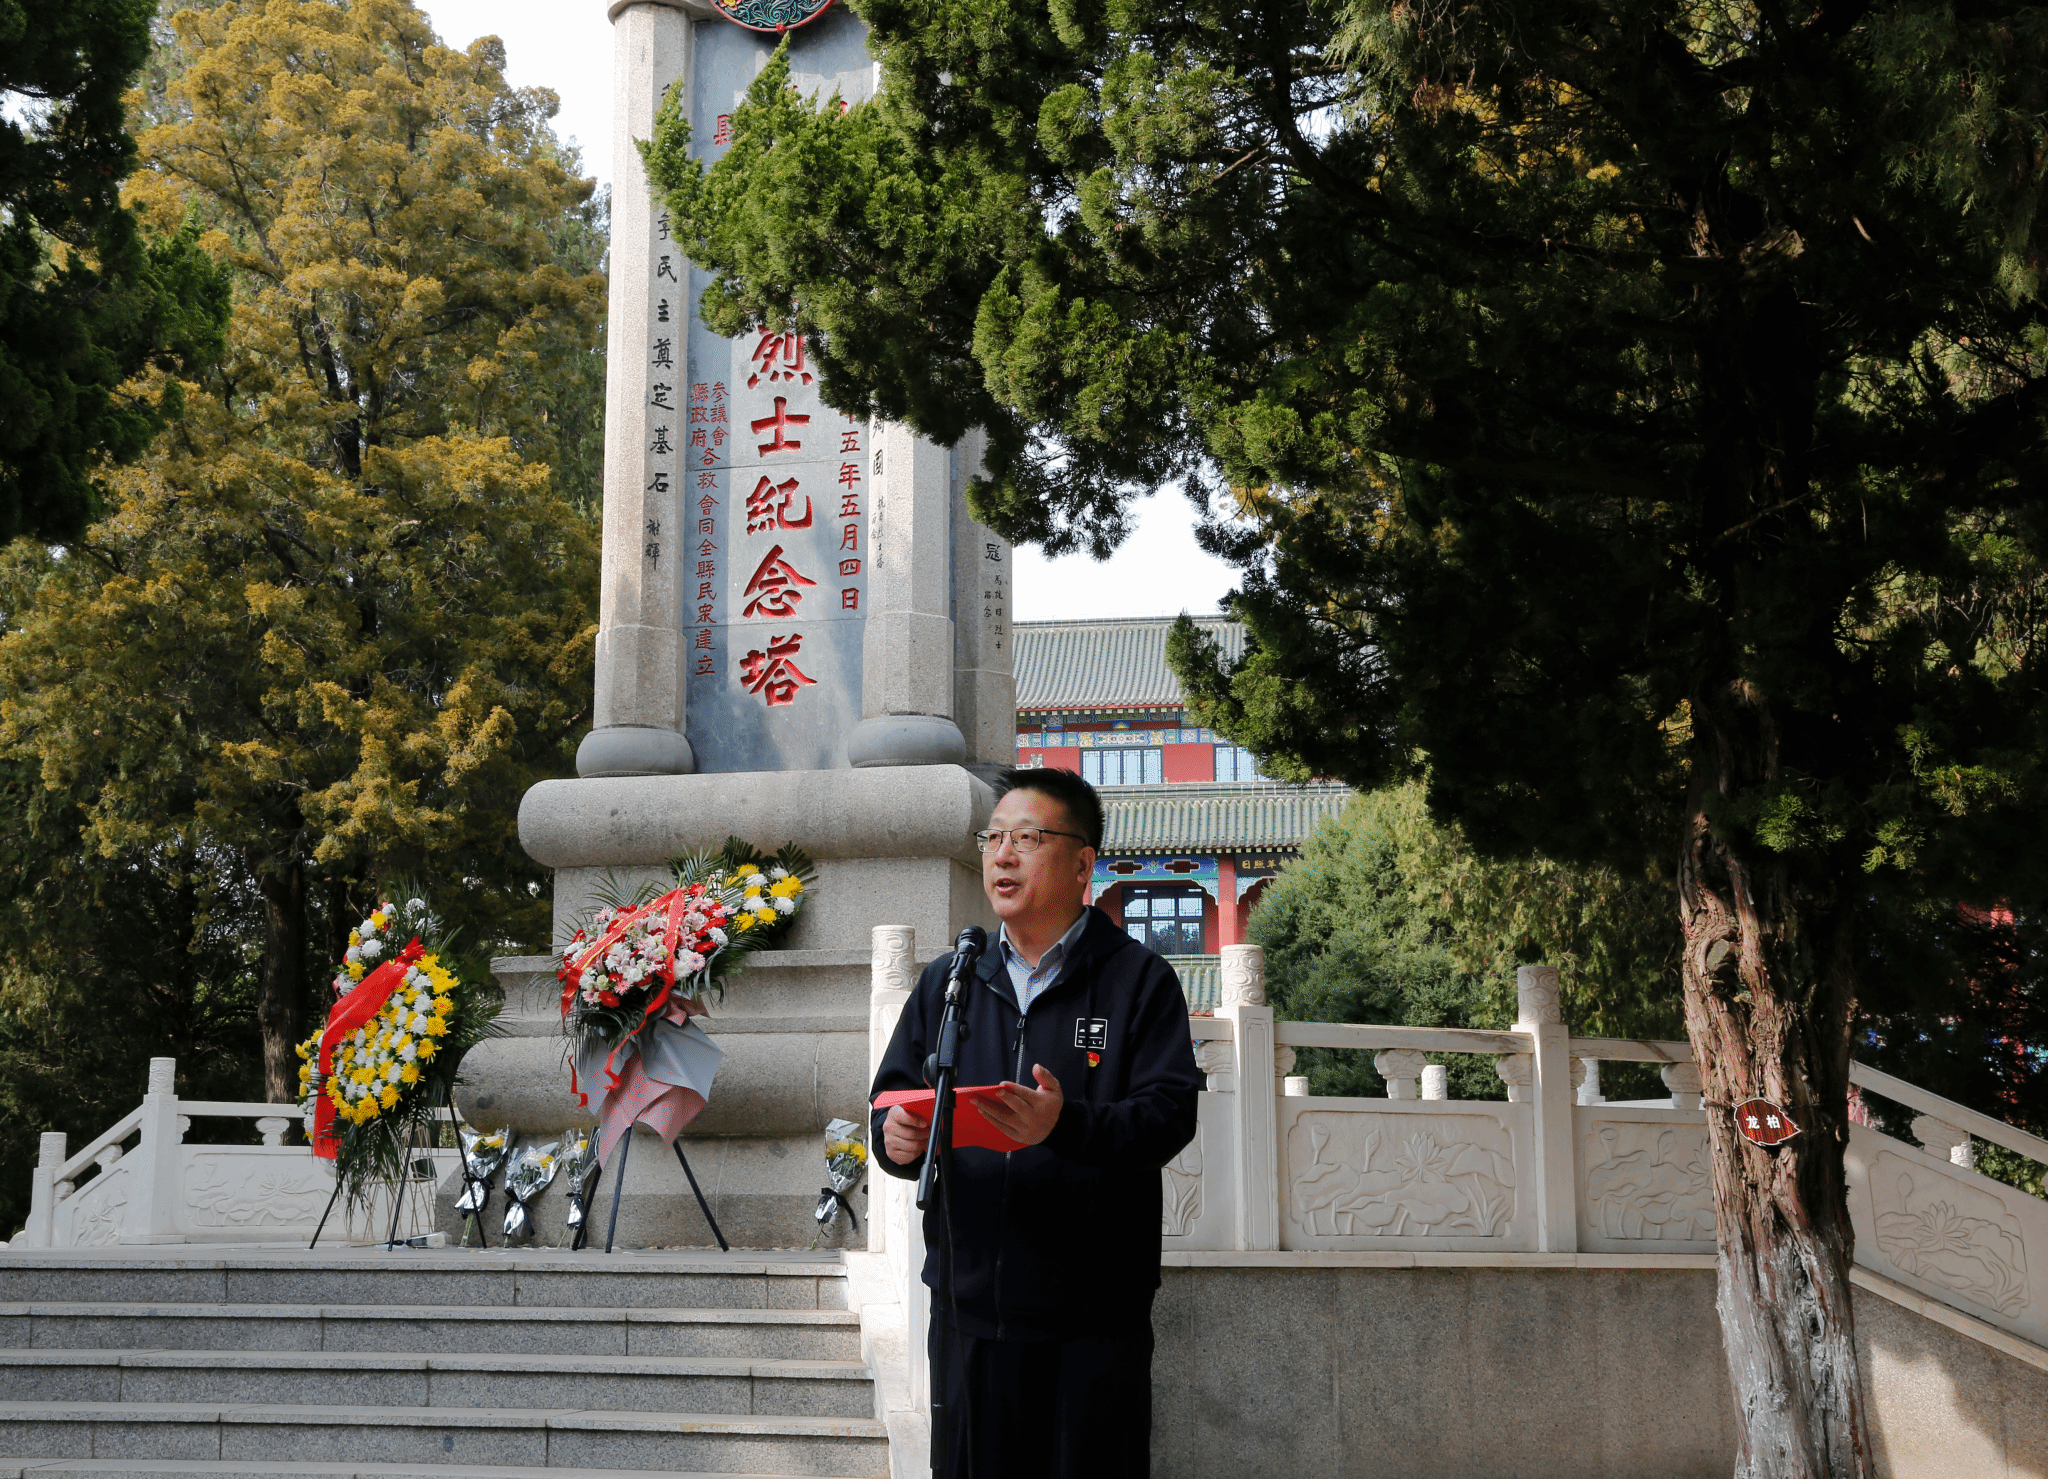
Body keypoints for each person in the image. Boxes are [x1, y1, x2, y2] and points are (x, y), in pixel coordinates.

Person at [870, 766, 1202, 1479]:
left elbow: (1169, 1116)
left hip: (1093, 1319)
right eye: (993, 838)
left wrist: (1063, 1124)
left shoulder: (1138, 980)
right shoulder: (951, 979)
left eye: (1026, 838)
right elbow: (893, 1097)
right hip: (967, 1309)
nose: (1002, 855)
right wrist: (897, 1140)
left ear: (1082, 864)